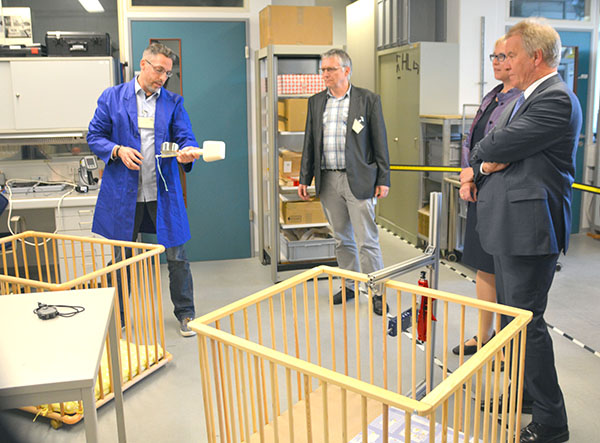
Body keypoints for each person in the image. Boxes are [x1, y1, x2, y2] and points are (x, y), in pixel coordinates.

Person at [470, 19, 581, 443]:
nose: (504, 63)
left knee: (527, 323)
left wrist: (486, 157)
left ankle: (552, 422)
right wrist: (486, 161)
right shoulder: (526, 97)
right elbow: (493, 144)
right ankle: (529, 396)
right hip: (510, 225)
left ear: (535, 57)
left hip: (529, 229)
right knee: (516, 321)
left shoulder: (555, 99)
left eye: (510, 55)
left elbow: (491, 144)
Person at [87, 42, 201, 337]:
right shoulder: (112, 98)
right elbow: (95, 135)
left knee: (177, 256)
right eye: (159, 70)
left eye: (168, 73)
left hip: (162, 192)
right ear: (143, 64)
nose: (163, 78)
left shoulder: (173, 103)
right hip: (125, 195)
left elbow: (185, 136)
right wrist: (117, 150)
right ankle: (119, 317)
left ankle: (186, 313)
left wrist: (187, 151)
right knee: (122, 259)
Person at [298, 49, 390, 316]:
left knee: (367, 241)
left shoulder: (367, 100)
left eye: (331, 69)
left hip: (359, 180)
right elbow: (309, 142)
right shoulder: (316, 102)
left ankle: (377, 291)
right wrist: (305, 177)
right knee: (342, 239)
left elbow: (380, 140)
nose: (325, 74)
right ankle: (349, 285)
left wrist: (383, 178)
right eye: (323, 69)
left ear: (347, 71)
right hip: (328, 179)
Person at [452, 36, 520, 356]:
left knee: (506, 273)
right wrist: (467, 178)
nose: (496, 61)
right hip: (481, 192)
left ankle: (506, 347)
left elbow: (507, 151)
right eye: (494, 55)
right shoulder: (492, 97)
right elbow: (472, 141)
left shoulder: (523, 100)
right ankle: (484, 336)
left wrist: (476, 173)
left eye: (504, 55)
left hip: (505, 199)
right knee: (483, 267)